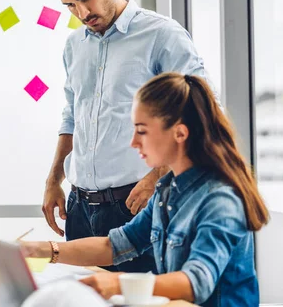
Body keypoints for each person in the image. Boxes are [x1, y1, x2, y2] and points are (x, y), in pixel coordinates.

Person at [41, 0, 214, 273]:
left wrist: (158, 178)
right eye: (70, 5)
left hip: (136, 204)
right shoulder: (74, 45)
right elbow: (72, 115)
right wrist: (54, 179)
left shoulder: (162, 36)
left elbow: (204, 111)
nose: (82, 13)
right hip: (79, 209)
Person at [26, 72, 269, 306]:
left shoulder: (219, 200)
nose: (133, 142)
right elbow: (116, 245)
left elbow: (196, 283)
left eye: (142, 131)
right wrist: (43, 250)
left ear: (180, 133)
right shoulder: (167, 190)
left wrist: (118, 283)